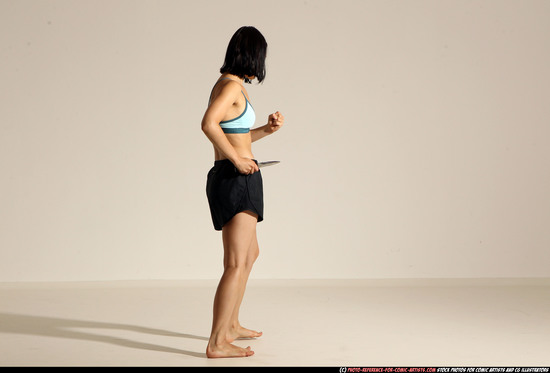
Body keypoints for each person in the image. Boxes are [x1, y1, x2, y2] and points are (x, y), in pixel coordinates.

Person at [201, 26, 285, 358]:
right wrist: (237, 159)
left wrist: (266, 129)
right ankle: (217, 342)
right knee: (236, 262)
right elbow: (208, 124)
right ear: (251, 54)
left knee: (249, 255)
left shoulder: (233, 86)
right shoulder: (231, 86)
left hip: (243, 176)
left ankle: (232, 324)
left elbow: (238, 135)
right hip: (235, 178)